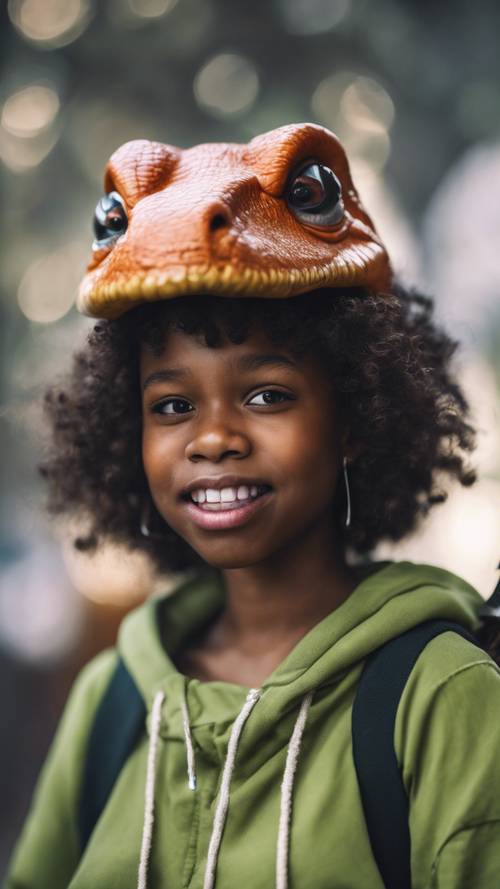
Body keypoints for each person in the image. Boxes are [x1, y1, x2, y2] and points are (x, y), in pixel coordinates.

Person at [6, 124, 500, 889]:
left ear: (355, 420)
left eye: (267, 394)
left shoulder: (442, 694)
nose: (213, 438)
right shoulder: (111, 701)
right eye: (170, 405)